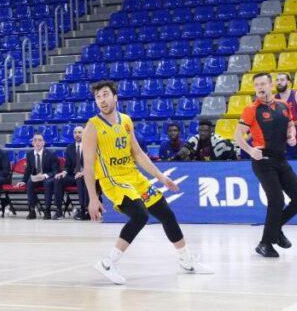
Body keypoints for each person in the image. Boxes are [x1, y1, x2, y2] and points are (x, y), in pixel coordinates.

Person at [83, 80, 213, 284]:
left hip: (134, 177)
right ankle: (108, 263)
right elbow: (88, 165)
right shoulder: (92, 127)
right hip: (113, 181)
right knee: (140, 215)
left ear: (115, 97)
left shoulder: (126, 120)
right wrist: (92, 197)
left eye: (105, 95)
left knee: (166, 214)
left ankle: (186, 260)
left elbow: (138, 153)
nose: (102, 100)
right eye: (98, 97)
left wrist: (162, 177)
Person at [234, 72, 297, 258]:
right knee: (277, 201)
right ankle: (265, 243)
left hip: (281, 159)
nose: (259, 87)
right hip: (263, 161)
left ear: (270, 85)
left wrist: (291, 135)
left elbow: (290, 125)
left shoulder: (283, 105)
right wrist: (251, 151)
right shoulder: (251, 109)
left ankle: (275, 230)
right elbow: (237, 136)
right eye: (256, 85)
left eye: (262, 84)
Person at [24, 133, 60, 219]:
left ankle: (47, 210)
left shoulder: (51, 154)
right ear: (32, 143)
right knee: (29, 182)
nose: (37, 142)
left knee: (47, 183)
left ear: (44, 142)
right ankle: (32, 210)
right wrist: (23, 181)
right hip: (36, 178)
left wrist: (45, 175)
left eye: (40, 140)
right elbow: (28, 170)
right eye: (35, 140)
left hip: (47, 177)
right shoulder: (29, 154)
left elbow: (56, 170)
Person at [58, 126, 90, 220]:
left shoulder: (90, 146)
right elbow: (67, 166)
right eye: (75, 132)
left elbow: (94, 163)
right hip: (73, 175)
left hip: (87, 174)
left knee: (81, 178)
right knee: (58, 179)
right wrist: (63, 172)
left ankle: (84, 209)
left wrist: (83, 172)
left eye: (79, 132)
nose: (77, 134)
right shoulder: (70, 148)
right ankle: (59, 210)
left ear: (84, 134)